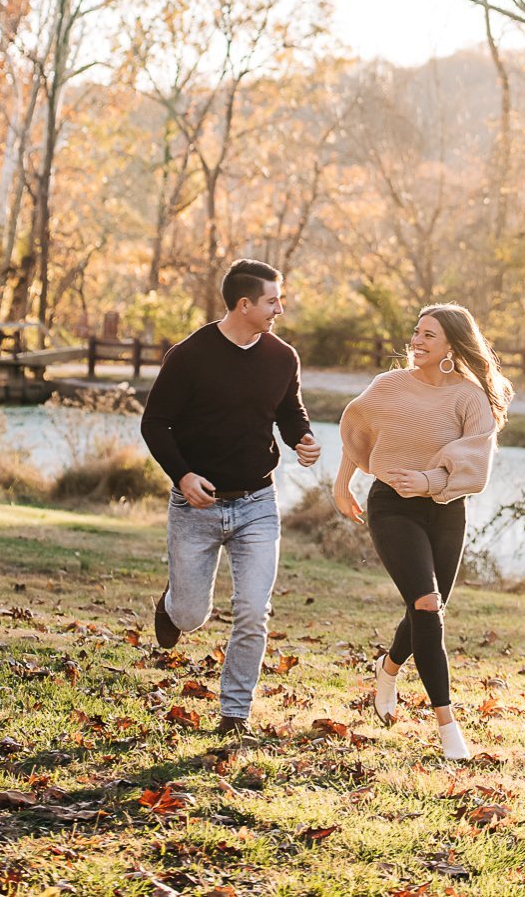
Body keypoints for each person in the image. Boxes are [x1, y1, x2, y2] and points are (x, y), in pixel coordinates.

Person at [139, 257, 320, 733]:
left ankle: (234, 713)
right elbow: (155, 423)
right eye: (272, 300)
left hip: (259, 503)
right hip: (196, 505)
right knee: (192, 615)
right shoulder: (189, 356)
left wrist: (301, 438)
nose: (280, 308)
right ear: (245, 304)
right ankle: (173, 603)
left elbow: (288, 410)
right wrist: (181, 476)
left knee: (253, 611)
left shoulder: (283, 357)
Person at [333, 301, 510, 760]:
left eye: (428, 335)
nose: (416, 341)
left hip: (447, 510)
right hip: (393, 506)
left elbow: (476, 465)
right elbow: (357, 431)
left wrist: (431, 481)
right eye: (416, 332)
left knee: (428, 610)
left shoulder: (470, 397)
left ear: (452, 343)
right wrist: (341, 484)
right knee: (427, 605)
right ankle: (448, 725)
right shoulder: (388, 386)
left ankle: (387, 669)